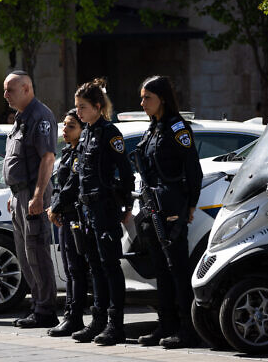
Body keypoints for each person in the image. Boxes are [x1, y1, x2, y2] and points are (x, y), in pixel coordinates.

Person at [135, 76, 203, 348]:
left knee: (177, 271)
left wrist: (189, 205)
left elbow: (193, 171)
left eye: (146, 98)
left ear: (162, 98)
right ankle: (166, 325)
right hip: (153, 207)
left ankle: (187, 330)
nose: (142, 103)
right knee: (161, 271)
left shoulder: (177, 128)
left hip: (172, 207)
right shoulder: (152, 130)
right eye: (141, 98)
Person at [71, 78, 134, 346]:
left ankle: (115, 324)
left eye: (83, 107)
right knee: (94, 266)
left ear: (98, 106)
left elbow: (127, 172)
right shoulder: (86, 133)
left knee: (110, 267)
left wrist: (126, 206)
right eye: (76, 107)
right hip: (88, 209)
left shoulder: (110, 133)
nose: (78, 113)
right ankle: (97, 321)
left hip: (105, 209)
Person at [2, 70, 59, 328]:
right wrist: (13, 195)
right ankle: (37, 305)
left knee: (36, 251)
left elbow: (47, 158)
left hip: (32, 194)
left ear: (27, 88)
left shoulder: (40, 116)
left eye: (10, 90)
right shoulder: (20, 118)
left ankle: (46, 309)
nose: (5, 95)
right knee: (25, 255)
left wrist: (37, 195)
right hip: (19, 195)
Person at [46, 109, 88, 337]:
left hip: (76, 217)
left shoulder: (81, 154)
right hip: (65, 216)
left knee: (76, 269)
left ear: (82, 130)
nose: (65, 130)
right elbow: (58, 184)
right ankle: (69, 315)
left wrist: (55, 207)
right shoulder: (68, 152)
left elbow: (72, 185)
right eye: (64, 125)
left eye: (71, 126)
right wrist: (54, 206)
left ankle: (75, 317)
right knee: (69, 269)